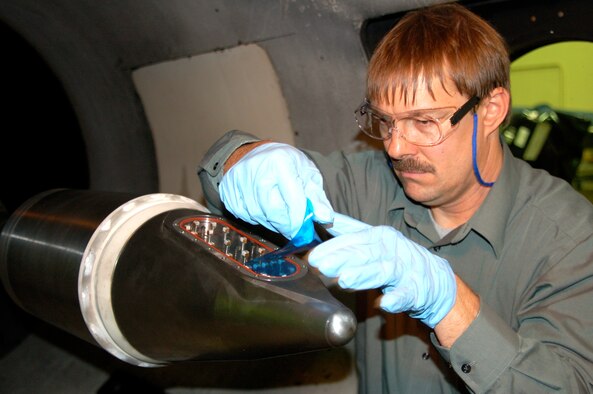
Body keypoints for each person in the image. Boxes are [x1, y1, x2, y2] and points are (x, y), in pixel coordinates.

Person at [197, 2, 593, 392]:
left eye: (423, 122)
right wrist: (245, 161)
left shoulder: (570, 238)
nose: (397, 148)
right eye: (385, 122)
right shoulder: (372, 182)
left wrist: (451, 305)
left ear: (491, 111)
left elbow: (566, 384)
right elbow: (228, 173)